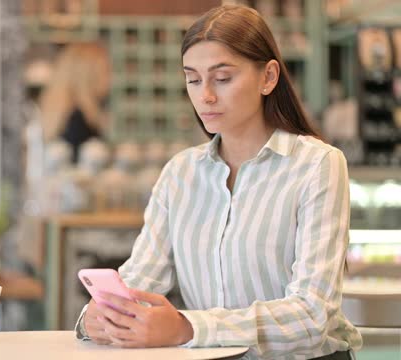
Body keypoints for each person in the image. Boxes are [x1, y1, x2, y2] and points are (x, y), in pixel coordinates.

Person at [74, 5, 363, 359]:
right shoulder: (180, 174)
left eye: (222, 78)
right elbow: (139, 280)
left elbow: (312, 314)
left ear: (268, 77)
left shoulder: (317, 165)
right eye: (193, 79)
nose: (205, 95)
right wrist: (98, 317)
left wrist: (188, 327)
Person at [39, 42, 111, 163]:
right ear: (89, 75)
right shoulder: (78, 120)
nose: (110, 78)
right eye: (106, 70)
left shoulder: (65, 114)